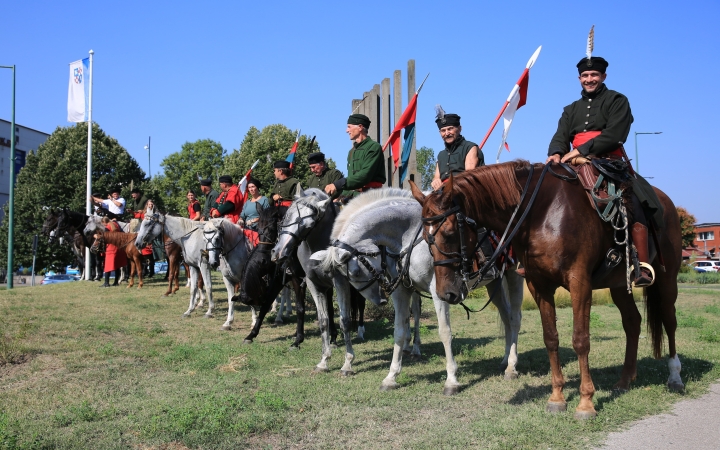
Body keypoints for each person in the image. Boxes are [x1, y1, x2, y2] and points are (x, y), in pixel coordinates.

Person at [546, 55, 660, 287]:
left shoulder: (618, 100)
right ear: (579, 79)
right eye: (585, 76)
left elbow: (616, 134)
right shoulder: (571, 109)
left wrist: (581, 150)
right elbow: (560, 135)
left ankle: (641, 265)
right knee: (544, 195)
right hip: (574, 162)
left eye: (594, 75)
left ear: (603, 76)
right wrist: (557, 152)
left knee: (634, 200)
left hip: (609, 161)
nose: (590, 79)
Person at [324, 113, 385, 199]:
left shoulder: (374, 147)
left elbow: (364, 176)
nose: (346, 130)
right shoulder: (352, 152)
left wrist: (338, 184)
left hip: (372, 197)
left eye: (349, 127)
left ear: (360, 127)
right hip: (355, 197)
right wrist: (341, 196)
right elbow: (351, 178)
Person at [430, 111, 483, 190]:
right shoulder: (441, 155)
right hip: (444, 192)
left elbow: (468, 176)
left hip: (466, 191)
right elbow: (436, 177)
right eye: (443, 130)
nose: (447, 133)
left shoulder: (470, 147)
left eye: (450, 129)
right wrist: (435, 181)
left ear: (459, 129)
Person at [97, 216, 128, 287]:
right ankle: (116, 282)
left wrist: (96, 236)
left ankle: (106, 283)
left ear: (104, 222)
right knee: (117, 265)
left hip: (111, 248)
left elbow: (104, 237)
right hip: (119, 247)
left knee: (107, 266)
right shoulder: (116, 224)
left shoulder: (107, 227)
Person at [141, 199, 156, 277]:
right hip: (145, 232)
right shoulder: (145, 213)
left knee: (151, 255)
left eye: (151, 204)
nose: (150, 206)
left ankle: (151, 271)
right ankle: (144, 271)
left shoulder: (155, 212)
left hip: (153, 232)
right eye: (149, 204)